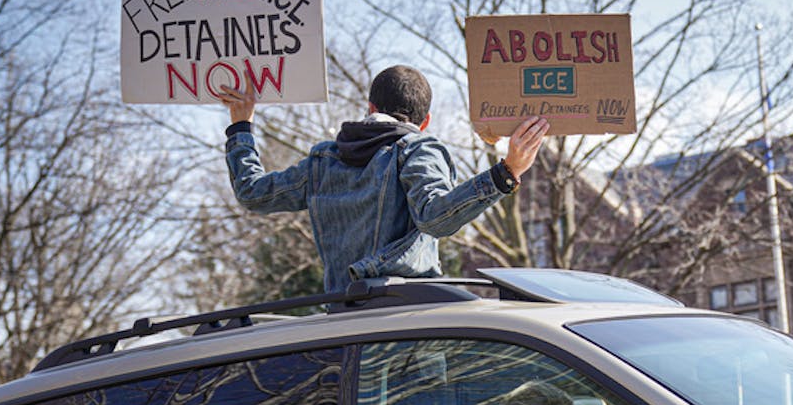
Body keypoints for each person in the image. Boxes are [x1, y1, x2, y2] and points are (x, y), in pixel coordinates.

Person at [216, 65, 549, 292]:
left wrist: (241, 124)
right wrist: (506, 173)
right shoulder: (417, 149)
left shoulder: (322, 162)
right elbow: (435, 218)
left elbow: (253, 193)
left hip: (341, 324)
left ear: (370, 105)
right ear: (426, 121)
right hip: (405, 327)